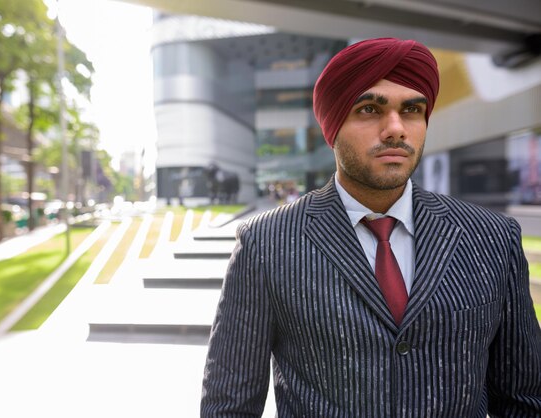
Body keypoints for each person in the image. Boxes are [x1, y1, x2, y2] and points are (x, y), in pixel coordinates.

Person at [201, 38, 541, 417]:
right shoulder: (266, 244)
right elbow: (228, 407)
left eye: (412, 109)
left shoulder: (492, 239)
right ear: (333, 126)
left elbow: (524, 400)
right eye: (369, 109)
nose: (395, 129)